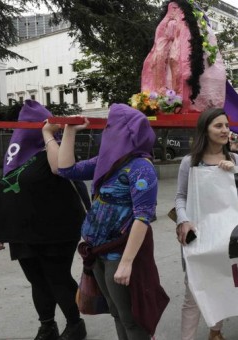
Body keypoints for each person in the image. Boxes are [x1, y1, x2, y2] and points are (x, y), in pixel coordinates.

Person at [57, 104, 169, 340]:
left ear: (125, 131)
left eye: (110, 126)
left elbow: (143, 216)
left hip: (119, 254)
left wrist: (127, 262)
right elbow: (66, 169)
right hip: (97, 252)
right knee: (117, 313)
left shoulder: (140, 168)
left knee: (131, 319)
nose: (105, 131)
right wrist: (70, 131)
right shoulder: (107, 161)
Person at [0, 100, 89, 340]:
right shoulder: (14, 157)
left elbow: (60, 169)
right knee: (37, 280)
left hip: (56, 230)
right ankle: (47, 326)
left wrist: (51, 136)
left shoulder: (53, 151)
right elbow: (3, 191)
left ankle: (75, 325)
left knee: (57, 277)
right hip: (21, 233)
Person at [175, 108, 238, 340]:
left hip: (226, 236)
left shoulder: (236, 159)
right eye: (218, 126)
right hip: (197, 235)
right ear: (205, 129)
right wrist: (184, 220)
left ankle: (216, 332)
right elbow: (180, 196)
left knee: (220, 287)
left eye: (226, 125)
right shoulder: (189, 162)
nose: (225, 130)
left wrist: (234, 174)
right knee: (192, 294)